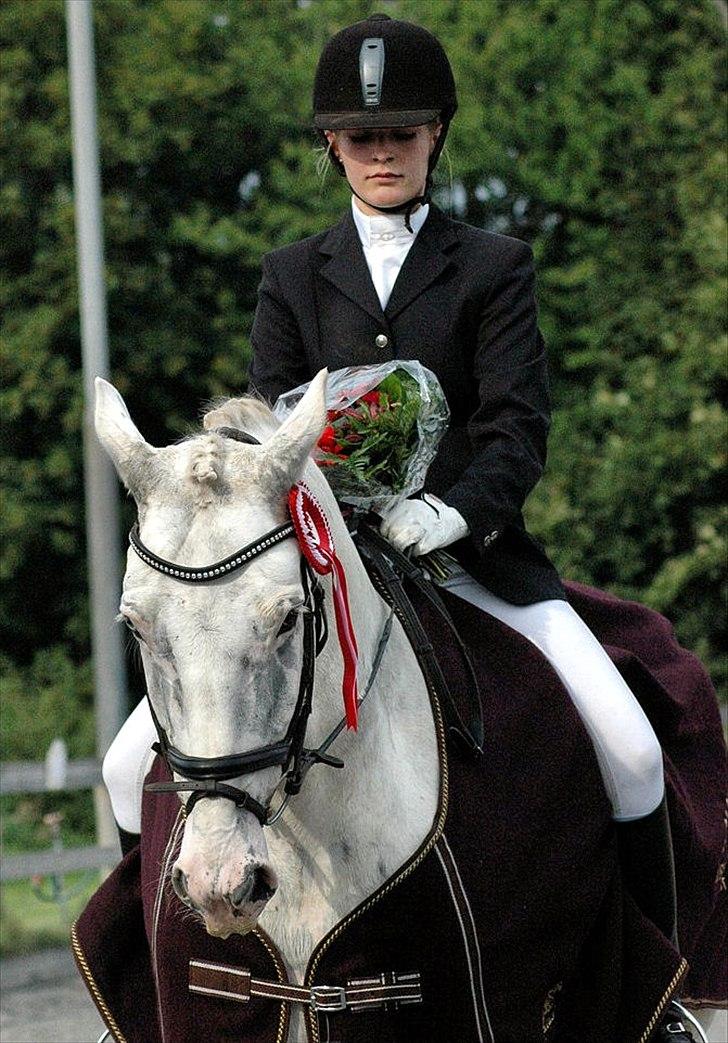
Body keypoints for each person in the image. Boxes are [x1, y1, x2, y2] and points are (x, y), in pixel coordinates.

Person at [101, 14, 698, 1039]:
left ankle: (655, 998)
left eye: (403, 132)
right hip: (322, 569)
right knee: (122, 767)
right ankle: (161, 989)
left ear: (435, 138)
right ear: (330, 145)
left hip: (467, 560)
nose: (383, 151)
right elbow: (266, 428)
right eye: (361, 136)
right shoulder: (292, 272)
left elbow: (515, 426)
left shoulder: (491, 265)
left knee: (630, 746)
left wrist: (450, 508)